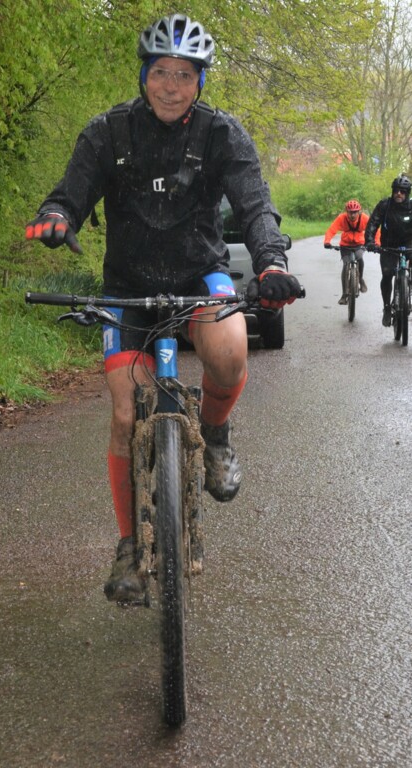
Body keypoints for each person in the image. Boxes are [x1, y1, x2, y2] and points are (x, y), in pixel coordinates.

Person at [25, 14, 302, 603]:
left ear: (200, 81)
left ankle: (215, 433)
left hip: (200, 277)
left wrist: (271, 263)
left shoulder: (222, 135)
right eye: (160, 73)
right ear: (143, 75)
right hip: (127, 287)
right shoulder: (108, 132)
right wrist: (57, 217)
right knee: (126, 415)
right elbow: (70, 194)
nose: (171, 86)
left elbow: (255, 207)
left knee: (229, 351)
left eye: (184, 75)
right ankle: (130, 546)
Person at [365, 175, 412, 326]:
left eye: (402, 191)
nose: (399, 194)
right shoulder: (384, 205)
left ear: (407, 193)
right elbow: (373, 223)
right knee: (387, 274)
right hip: (388, 245)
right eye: (396, 190)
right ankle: (386, 308)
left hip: (409, 243)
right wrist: (370, 241)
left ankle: (407, 291)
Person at [323, 200, 376, 304]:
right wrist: (327, 241)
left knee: (359, 258)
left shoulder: (364, 218)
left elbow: (374, 230)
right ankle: (344, 294)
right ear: (346, 211)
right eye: (350, 212)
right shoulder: (341, 218)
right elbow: (331, 230)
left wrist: (376, 243)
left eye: (355, 212)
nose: (352, 215)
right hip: (345, 245)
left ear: (359, 211)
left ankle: (360, 279)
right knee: (346, 264)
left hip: (360, 244)